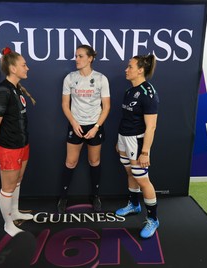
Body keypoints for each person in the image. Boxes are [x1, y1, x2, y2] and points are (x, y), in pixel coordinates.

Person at [0, 47, 36, 236]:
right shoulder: (3, 92)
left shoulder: (16, 89)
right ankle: (8, 224)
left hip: (22, 144)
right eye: (24, 65)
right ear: (13, 68)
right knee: (7, 187)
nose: (27, 68)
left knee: (18, 181)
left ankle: (15, 212)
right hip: (9, 148)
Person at [58, 44, 111, 213]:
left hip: (95, 126)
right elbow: (65, 105)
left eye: (80, 56)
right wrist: (74, 123)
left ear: (90, 58)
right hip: (76, 125)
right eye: (76, 56)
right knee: (70, 161)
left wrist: (96, 127)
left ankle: (95, 195)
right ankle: (63, 197)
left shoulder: (101, 78)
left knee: (94, 161)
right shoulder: (69, 78)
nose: (77, 59)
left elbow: (107, 106)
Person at [115, 54, 160, 239]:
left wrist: (145, 152)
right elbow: (126, 118)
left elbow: (151, 126)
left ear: (140, 70)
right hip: (123, 138)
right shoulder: (129, 91)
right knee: (130, 173)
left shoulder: (149, 93)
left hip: (137, 141)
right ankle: (134, 204)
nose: (126, 69)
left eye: (130, 66)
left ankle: (153, 219)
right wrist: (119, 142)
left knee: (143, 180)